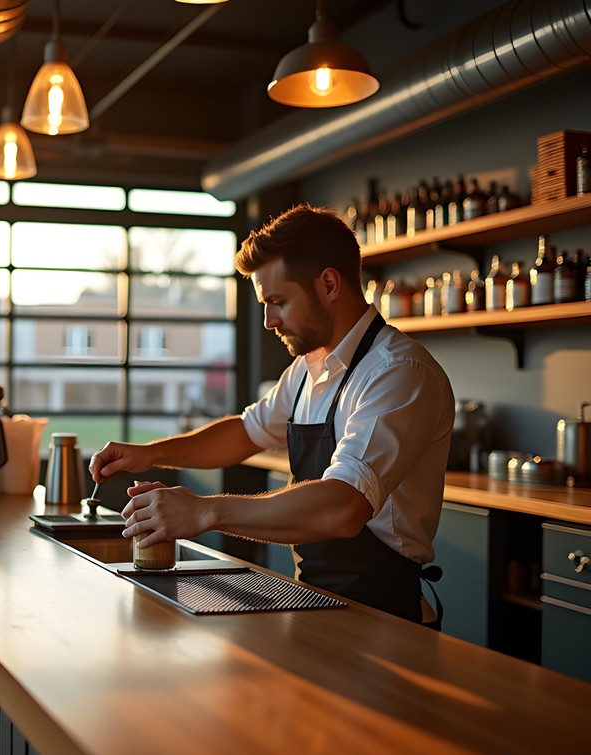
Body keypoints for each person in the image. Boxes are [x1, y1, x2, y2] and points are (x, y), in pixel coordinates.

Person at [90, 204, 454, 623]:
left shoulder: (399, 372)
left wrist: (205, 511)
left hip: (386, 618)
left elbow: (343, 507)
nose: (267, 320)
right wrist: (150, 453)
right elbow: (246, 432)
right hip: (315, 601)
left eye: (278, 301)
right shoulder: (306, 370)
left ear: (329, 284)